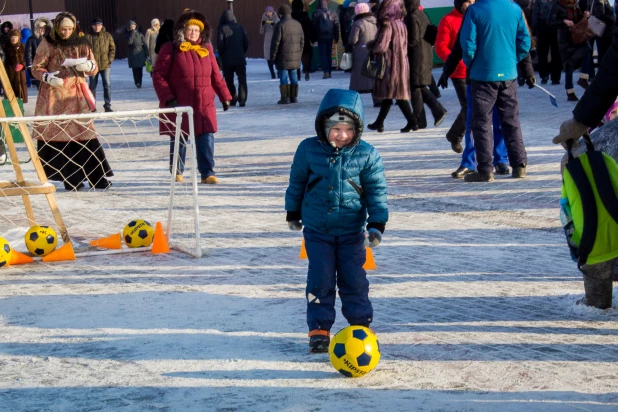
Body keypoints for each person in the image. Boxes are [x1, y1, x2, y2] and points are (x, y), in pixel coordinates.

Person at [285, 88, 388, 353]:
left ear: (358, 129)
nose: (342, 135)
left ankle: (360, 326)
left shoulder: (367, 154)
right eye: (336, 129)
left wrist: (376, 224)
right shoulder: (308, 149)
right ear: (324, 126)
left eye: (349, 130)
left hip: (352, 231)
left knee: (354, 280)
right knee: (320, 279)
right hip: (318, 231)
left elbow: (377, 191)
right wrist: (293, 212)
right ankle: (319, 330)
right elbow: (296, 182)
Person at [32, 11, 113, 191]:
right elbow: (36, 67)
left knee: (84, 134)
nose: (66, 32)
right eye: (63, 29)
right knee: (60, 135)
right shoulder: (48, 43)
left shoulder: (82, 42)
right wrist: (46, 77)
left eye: (69, 29)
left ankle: (96, 177)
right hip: (55, 97)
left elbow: (94, 66)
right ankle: (71, 178)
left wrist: (89, 66)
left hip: (76, 96)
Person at [153, 11, 232, 185]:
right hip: (180, 103)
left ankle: (207, 172)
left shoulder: (206, 49)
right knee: (180, 138)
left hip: (204, 103)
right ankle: (177, 171)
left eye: (197, 30)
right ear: (183, 30)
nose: (194, 33)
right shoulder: (171, 49)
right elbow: (158, 75)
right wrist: (168, 97)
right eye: (190, 29)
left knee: (206, 138)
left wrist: (225, 95)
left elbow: (216, 74)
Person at [460, 0, 531, 182]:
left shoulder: (475, 10)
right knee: (511, 121)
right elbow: (525, 41)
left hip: (482, 76)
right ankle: (519, 166)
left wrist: (473, 64)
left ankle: (485, 170)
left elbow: (468, 43)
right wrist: (512, 60)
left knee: (481, 123)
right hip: (508, 75)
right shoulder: (515, 8)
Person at [367, 0, 418, 133]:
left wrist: (372, 46)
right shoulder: (401, 24)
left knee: (394, 94)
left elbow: (382, 45)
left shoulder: (387, 24)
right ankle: (380, 123)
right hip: (401, 63)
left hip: (390, 64)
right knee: (390, 94)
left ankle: (412, 122)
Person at [405, 0, 447, 130]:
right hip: (425, 55)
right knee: (417, 87)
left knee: (417, 87)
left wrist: (400, 46)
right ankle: (420, 120)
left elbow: (413, 40)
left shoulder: (411, 17)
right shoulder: (421, 14)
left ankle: (437, 110)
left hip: (417, 57)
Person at [435, 0, 470, 153]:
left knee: (472, 107)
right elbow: (440, 47)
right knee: (468, 107)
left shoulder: (475, 17)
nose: (471, 4)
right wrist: (458, 63)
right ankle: (457, 137)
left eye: (473, 1)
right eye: (468, 1)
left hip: (477, 71)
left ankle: (454, 135)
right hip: (459, 72)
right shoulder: (448, 20)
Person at [547, 0, 591, 101]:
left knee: (587, 50)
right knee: (570, 64)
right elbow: (549, 21)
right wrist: (563, 21)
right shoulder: (557, 4)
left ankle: (583, 78)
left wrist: (585, 15)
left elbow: (578, 18)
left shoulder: (575, 4)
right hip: (565, 38)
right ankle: (570, 92)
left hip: (577, 35)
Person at [576, 0, 615, 89]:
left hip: (594, 27)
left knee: (593, 51)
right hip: (601, 30)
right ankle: (599, 75)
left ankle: (591, 74)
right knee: (602, 52)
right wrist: (612, 19)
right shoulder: (598, 1)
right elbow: (600, 15)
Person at [271, 4, 305, 105]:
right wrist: (299, 54)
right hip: (295, 57)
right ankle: (294, 97)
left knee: (284, 76)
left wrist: (273, 57)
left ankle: (285, 98)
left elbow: (275, 43)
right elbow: (302, 41)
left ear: (280, 14)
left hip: (283, 57)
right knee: (294, 75)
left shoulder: (280, 25)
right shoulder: (298, 24)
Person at [217, 10, 249, 107]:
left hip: (227, 59)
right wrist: (241, 52)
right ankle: (242, 99)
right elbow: (246, 43)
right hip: (240, 58)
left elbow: (220, 45)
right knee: (242, 79)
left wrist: (222, 55)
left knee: (229, 80)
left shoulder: (222, 28)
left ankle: (233, 98)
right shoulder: (240, 27)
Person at [348, 2, 378, 104]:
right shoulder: (375, 21)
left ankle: (352, 101)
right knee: (373, 76)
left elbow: (353, 40)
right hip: (373, 51)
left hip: (360, 53)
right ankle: (377, 100)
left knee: (357, 78)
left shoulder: (357, 23)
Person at [86, 17, 116, 112]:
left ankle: (107, 104)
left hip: (105, 64)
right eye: (95, 25)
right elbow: (83, 50)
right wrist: (88, 62)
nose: (97, 27)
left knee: (107, 84)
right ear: (92, 26)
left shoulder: (107, 35)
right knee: (92, 86)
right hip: (93, 65)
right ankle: (92, 105)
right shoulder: (87, 36)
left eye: (99, 25)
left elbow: (112, 48)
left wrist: (110, 59)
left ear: (101, 26)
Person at [532, 0, 563, 85]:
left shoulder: (540, 1)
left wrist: (534, 30)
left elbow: (535, 14)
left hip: (543, 26)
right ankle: (555, 78)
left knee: (543, 53)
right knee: (556, 53)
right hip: (555, 26)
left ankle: (544, 76)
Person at [312, 0, 340, 79]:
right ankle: (330, 72)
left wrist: (313, 38)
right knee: (328, 54)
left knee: (323, 54)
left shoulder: (315, 13)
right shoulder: (332, 13)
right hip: (330, 36)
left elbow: (313, 27)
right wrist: (336, 37)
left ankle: (326, 71)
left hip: (320, 37)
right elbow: (336, 26)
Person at [291, 0, 315, 81]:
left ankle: (297, 73)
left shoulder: (291, 16)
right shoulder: (305, 15)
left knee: (296, 57)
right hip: (305, 38)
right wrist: (312, 38)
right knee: (306, 55)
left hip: (294, 39)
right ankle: (307, 70)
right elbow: (310, 28)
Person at [2, 29, 28, 102]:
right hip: (9, 73)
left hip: (20, 74)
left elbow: (27, 58)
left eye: (16, 37)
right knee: (10, 93)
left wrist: (23, 65)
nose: (14, 39)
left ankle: (20, 107)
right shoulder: (5, 47)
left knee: (20, 94)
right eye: (12, 37)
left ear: (18, 38)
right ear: (10, 37)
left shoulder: (23, 46)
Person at [25, 18, 50, 91]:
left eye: (44, 28)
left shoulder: (50, 39)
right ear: (36, 28)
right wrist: (30, 66)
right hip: (37, 66)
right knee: (40, 87)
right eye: (40, 28)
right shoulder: (31, 39)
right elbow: (28, 53)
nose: (42, 30)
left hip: (49, 67)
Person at [125, 20, 147, 88]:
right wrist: (132, 33)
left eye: (133, 26)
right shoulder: (127, 34)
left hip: (140, 53)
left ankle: (140, 82)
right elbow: (129, 42)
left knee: (140, 69)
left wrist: (147, 53)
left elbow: (144, 44)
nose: (133, 27)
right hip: (133, 54)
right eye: (131, 26)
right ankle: (137, 82)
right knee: (135, 70)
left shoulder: (140, 34)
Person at [260, 6, 280, 79]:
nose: (269, 13)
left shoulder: (276, 18)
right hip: (267, 40)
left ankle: (278, 72)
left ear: (272, 12)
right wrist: (262, 24)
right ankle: (272, 74)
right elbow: (261, 32)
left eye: (270, 12)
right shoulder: (264, 18)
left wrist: (274, 25)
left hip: (275, 39)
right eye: (267, 12)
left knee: (276, 57)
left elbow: (279, 29)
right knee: (268, 58)